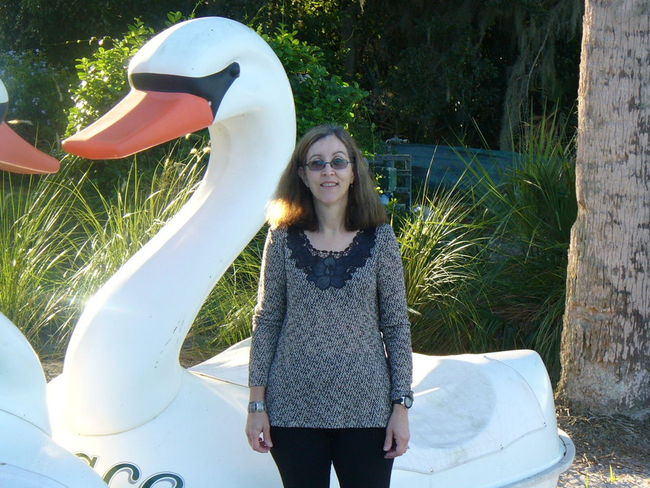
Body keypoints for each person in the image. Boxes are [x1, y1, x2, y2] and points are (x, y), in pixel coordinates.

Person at [245, 124, 413, 488]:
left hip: (367, 409)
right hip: (293, 410)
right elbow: (268, 320)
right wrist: (256, 405)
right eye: (317, 163)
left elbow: (397, 325)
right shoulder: (281, 239)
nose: (328, 171)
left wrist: (401, 406)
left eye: (338, 162)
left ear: (353, 172)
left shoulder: (380, 239)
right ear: (303, 175)